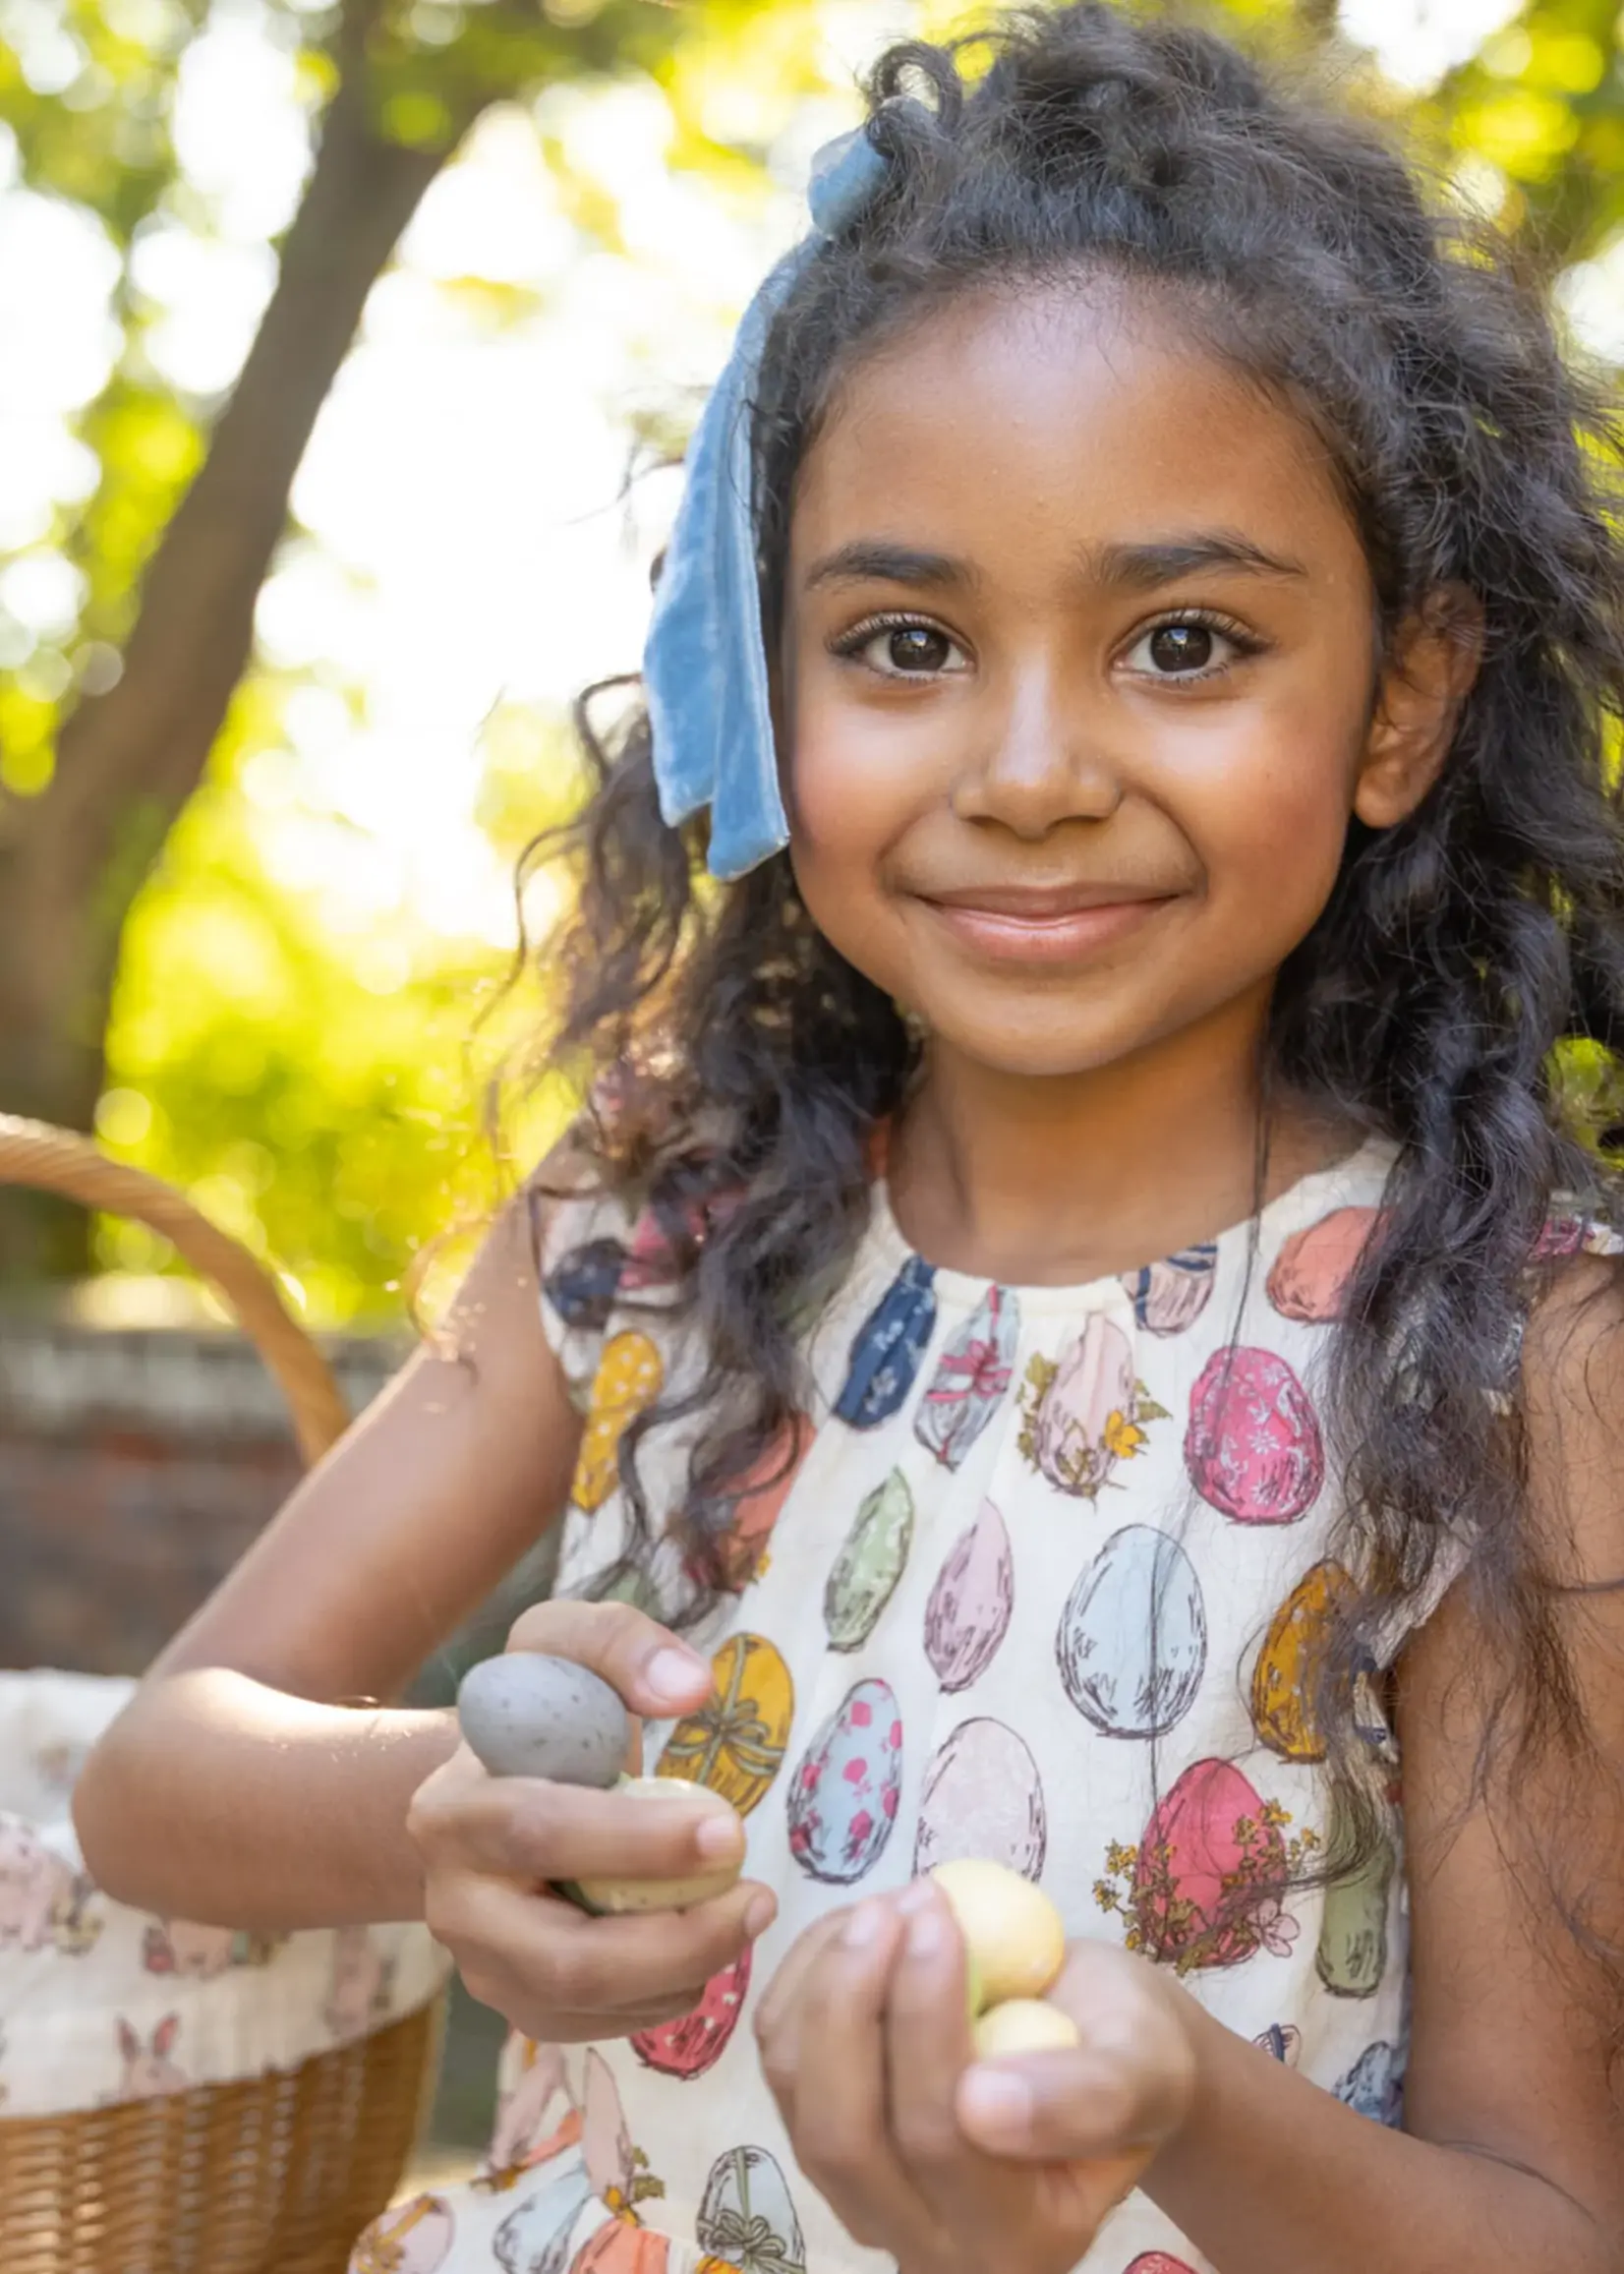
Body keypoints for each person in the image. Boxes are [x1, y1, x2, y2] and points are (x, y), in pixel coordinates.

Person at [72, 5, 1624, 2270]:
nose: (1026, 765)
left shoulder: (1493, 1356)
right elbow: (151, 1778)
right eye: (901, 640)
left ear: (1401, 701)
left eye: (1180, 642)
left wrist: (1172, 2099)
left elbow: (1549, 2222)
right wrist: (441, 1803)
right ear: (766, 683)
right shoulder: (650, 1240)